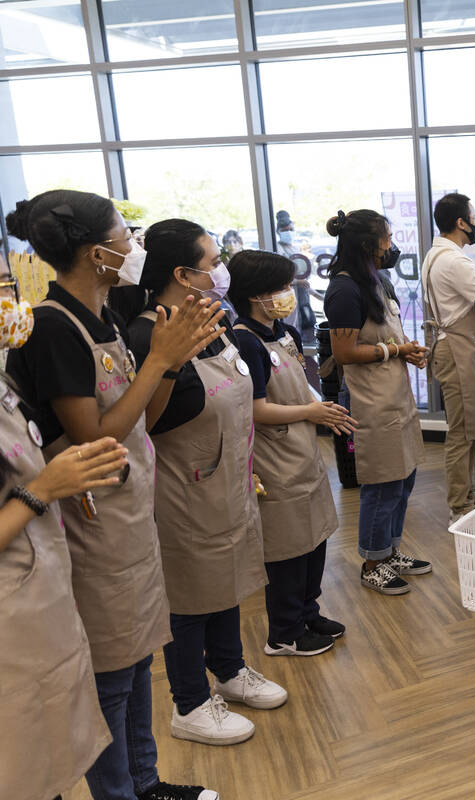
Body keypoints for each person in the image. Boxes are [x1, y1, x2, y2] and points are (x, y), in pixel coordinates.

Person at [6, 190, 223, 800]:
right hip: (93, 523)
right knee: (111, 673)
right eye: (122, 235)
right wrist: (159, 360)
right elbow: (96, 439)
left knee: (137, 657)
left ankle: (145, 782)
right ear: (94, 251)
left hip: (131, 515)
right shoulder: (53, 326)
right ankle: (118, 791)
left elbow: (141, 423)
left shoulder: (105, 315)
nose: (133, 245)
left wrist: (171, 362)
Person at [128, 220, 286, 746]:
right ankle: (189, 702)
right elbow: (139, 423)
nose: (222, 269)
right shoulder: (147, 333)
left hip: (228, 478)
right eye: (212, 260)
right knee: (189, 595)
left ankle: (230, 669)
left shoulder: (214, 320)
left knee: (227, 578)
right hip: (182, 490)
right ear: (182, 274)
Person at [0, 271, 129, 800]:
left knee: (47, 758)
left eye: (6, 284)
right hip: (13, 613)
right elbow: (31, 486)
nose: (9, 301)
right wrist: (41, 490)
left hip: (38, 591)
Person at [228, 250, 353, 656]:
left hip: (302, 452)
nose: (287, 293)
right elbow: (256, 409)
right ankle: (283, 632)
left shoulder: (285, 332)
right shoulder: (244, 341)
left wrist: (320, 410)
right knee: (287, 550)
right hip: (275, 457)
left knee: (314, 539)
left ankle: (308, 612)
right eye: (279, 288)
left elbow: (299, 384)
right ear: (254, 295)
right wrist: (312, 411)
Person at [323, 209, 431, 595]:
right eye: (386, 237)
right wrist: (396, 349)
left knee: (404, 476)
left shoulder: (376, 279)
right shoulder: (344, 289)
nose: (391, 245)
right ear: (368, 244)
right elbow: (345, 352)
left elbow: (387, 335)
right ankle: (372, 562)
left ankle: (390, 550)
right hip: (369, 399)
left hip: (394, 394)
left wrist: (406, 352)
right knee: (382, 482)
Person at [421, 193, 475, 524]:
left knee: (468, 428)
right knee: (460, 432)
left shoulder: (437, 254)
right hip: (456, 351)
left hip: (454, 347)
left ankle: (467, 493)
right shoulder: (453, 261)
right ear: (461, 222)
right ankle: (460, 504)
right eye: (472, 217)